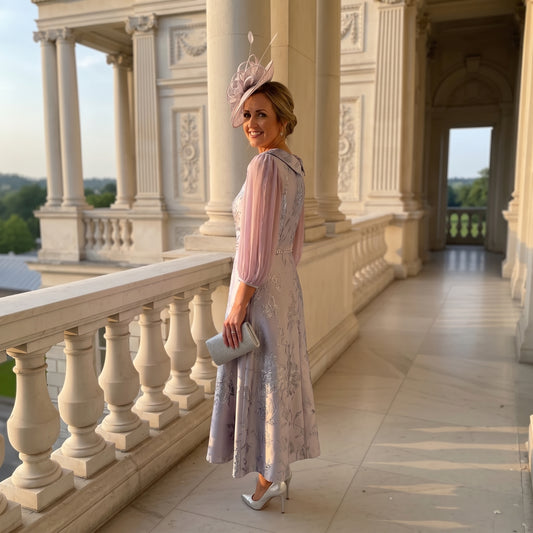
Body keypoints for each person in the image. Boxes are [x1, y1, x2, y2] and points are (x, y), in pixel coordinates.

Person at [206, 34, 320, 513]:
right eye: (247, 114)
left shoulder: (265, 167)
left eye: (262, 115)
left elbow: (254, 245)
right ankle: (275, 472)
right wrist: (275, 279)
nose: (251, 123)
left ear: (282, 121)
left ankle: (268, 478)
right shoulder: (294, 165)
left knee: (265, 377)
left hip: (259, 286)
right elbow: (292, 241)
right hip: (284, 283)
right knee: (279, 374)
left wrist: (238, 304)